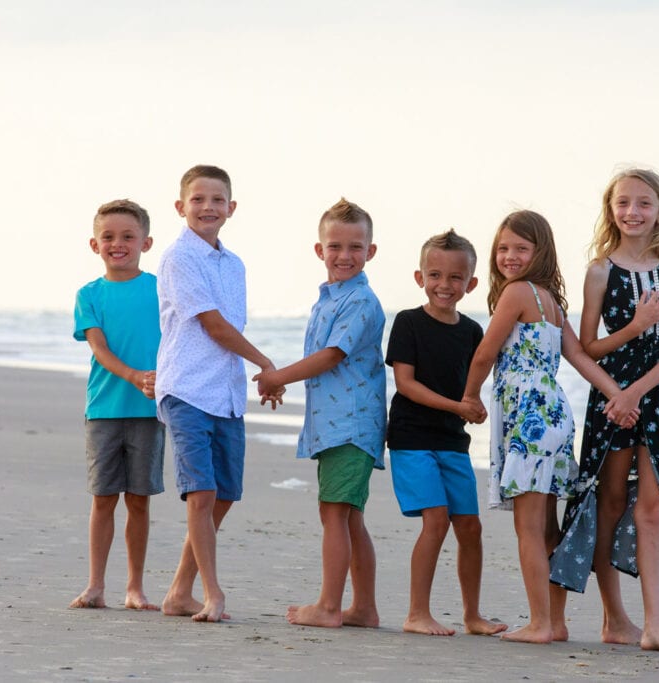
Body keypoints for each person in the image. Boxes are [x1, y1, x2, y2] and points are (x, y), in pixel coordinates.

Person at [461, 210, 637, 644]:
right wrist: (617, 394)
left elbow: (485, 352)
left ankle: (540, 623)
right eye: (503, 248)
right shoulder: (551, 302)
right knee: (548, 528)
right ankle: (554, 622)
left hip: (529, 419)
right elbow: (579, 358)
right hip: (555, 416)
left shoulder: (517, 294)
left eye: (521, 248)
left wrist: (469, 396)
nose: (509, 256)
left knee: (528, 527)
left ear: (541, 253)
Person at [551, 168, 659, 654]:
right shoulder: (600, 271)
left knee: (652, 508)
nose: (633, 212)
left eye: (644, 203)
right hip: (612, 396)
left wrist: (638, 393)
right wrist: (634, 328)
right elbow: (588, 345)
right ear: (610, 210)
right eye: (623, 203)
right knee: (609, 504)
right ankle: (615, 617)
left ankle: (655, 624)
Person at [155, 164, 279, 623]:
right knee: (202, 494)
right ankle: (213, 595)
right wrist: (265, 364)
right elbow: (212, 325)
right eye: (198, 199)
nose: (208, 207)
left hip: (225, 393)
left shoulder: (235, 265)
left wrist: (257, 374)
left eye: (217, 200)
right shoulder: (178, 258)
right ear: (180, 207)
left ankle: (178, 592)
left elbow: (232, 327)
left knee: (223, 495)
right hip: (186, 388)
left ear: (231, 208)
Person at [255, 198, 386, 629]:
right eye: (335, 246)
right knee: (348, 515)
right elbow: (320, 360)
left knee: (334, 511)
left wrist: (278, 378)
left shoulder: (361, 302)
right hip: (333, 422)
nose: (344, 255)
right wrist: (283, 380)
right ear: (320, 250)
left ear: (371, 252)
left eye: (355, 247)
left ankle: (330, 606)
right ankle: (363, 607)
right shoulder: (329, 299)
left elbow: (331, 356)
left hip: (350, 424)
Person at [386, 229, 508, 637]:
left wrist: (475, 405)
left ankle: (472, 615)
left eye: (456, 278)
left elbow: (475, 379)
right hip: (411, 439)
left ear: (471, 284)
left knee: (469, 526)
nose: (445, 285)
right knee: (435, 520)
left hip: (453, 442)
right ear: (420, 278)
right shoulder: (407, 322)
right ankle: (416, 613)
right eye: (435, 275)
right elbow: (406, 384)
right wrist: (459, 406)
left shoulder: (473, 331)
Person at [70, 199, 164, 611]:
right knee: (103, 498)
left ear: (146, 242)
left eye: (128, 236)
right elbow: (99, 348)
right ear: (95, 244)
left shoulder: (161, 288)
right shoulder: (89, 294)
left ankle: (135, 588)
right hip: (104, 409)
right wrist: (134, 376)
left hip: (150, 410)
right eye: (109, 237)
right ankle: (95, 586)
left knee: (139, 500)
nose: (118, 244)